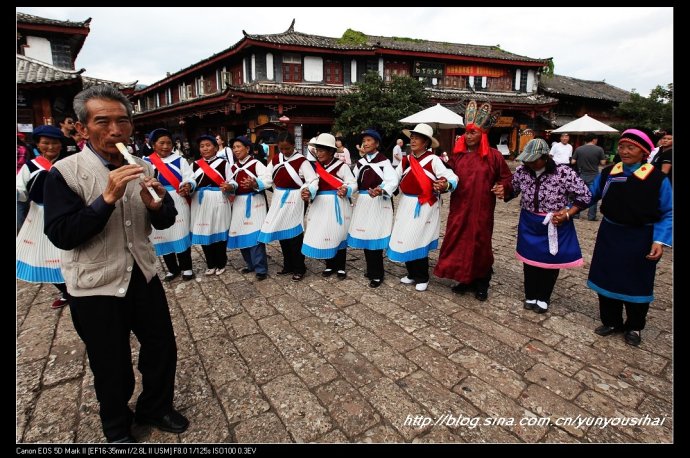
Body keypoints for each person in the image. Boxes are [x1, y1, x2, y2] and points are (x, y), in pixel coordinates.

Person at [43, 85, 188, 443]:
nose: (115, 131)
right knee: (111, 362)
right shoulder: (64, 173)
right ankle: (116, 423)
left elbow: (166, 219)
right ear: (81, 129)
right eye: (102, 122)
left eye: (122, 121)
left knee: (161, 348)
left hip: (143, 273)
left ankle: (155, 407)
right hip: (94, 284)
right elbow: (62, 234)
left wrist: (157, 205)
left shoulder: (140, 165)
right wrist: (105, 198)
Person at [588, 129, 672, 347]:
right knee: (606, 277)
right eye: (622, 146)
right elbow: (590, 195)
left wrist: (659, 241)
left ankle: (634, 326)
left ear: (643, 152)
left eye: (631, 147)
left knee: (637, 281)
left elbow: (667, 212)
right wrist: (568, 208)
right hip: (610, 233)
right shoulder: (609, 173)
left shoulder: (656, 179)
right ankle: (612, 321)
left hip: (640, 237)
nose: (624, 151)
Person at [434, 101, 512, 301]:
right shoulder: (457, 157)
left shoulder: (494, 157)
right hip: (460, 207)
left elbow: (507, 178)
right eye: (466, 133)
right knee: (459, 241)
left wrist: (504, 188)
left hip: (482, 210)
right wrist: (442, 182)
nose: (468, 136)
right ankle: (464, 279)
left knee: (480, 243)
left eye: (473, 133)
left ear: (483, 135)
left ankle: (482, 282)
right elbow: (447, 176)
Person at [504, 138, 591, 314]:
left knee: (549, 262)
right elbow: (513, 190)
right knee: (529, 260)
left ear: (545, 157)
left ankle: (543, 297)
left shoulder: (563, 172)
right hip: (529, 222)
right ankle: (530, 294)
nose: (529, 163)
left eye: (533, 160)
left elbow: (584, 196)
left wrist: (568, 213)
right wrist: (502, 190)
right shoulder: (522, 171)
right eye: (527, 159)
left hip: (554, 221)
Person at [388, 123, 457, 292]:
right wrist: (382, 189)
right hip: (406, 203)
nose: (412, 140)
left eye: (417, 138)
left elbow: (451, 177)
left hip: (425, 204)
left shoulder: (433, 160)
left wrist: (445, 184)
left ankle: (422, 276)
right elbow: (393, 180)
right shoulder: (406, 160)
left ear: (426, 142)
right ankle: (411, 273)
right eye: (411, 137)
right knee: (405, 236)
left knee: (419, 238)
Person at [16, 125, 70, 310]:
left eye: (55, 143)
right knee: (44, 255)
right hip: (40, 214)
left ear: (61, 145)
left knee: (69, 252)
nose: (50, 147)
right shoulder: (30, 167)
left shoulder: (69, 163)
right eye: (45, 143)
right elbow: (21, 192)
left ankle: (75, 287)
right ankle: (65, 290)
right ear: (37, 144)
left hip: (67, 212)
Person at [257, 132, 317, 281]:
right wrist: (256, 183)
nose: (284, 152)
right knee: (282, 230)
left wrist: (307, 190)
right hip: (279, 197)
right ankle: (288, 264)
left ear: (293, 146)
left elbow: (312, 179)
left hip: (296, 197)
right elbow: (267, 177)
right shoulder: (276, 159)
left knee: (295, 233)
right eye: (281, 149)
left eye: (287, 149)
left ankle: (299, 267)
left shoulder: (302, 161)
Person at [347, 129, 399, 288]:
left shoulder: (384, 162)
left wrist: (381, 190)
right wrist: (347, 189)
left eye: (369, 140)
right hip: (364, 201)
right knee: (366, 234)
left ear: (376, 144)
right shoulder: (361, 163)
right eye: (364, 140)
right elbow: (354, 182)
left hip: (379, 202)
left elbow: (393, 181)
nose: (366, 143)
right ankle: (371, 270)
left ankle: (377, 274)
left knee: (375, 236)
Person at [301, 133, 357, 278]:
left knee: (338, 233)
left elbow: (353, 183)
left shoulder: (342, 167)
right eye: (317, 150)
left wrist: (346, 189)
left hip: (337, 203)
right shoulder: (314, 168)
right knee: (325, 231)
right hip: (320, 204)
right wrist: (307, 191)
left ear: (331, 151)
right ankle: (329, 265)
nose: (318, 154)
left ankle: (341, 267)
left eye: (321, 150)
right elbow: (310, 183)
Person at [144, 128, 196, 281]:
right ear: (153, 144)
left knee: (180, 232)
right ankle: (172, 269)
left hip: (177, 199)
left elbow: (190, 178)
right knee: (162, 234)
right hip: (157, 201)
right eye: (162, 143)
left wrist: (188, 185)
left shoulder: (180, 160)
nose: (166, 146)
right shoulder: (146, 162)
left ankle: (187, 267)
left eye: (169, 143)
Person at [226, 136, 272, 280]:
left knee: (254, 235)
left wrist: (255, 184)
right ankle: (250, 264)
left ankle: (261, 268)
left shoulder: (256, 164)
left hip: (255, 202)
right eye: (234, 148)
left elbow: (268, 180)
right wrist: (228, 187)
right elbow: (230, 183)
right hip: (239, 202)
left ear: (247, 148)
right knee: (241, 232)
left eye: (239, 147)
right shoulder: (232, 167)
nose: (236, 150)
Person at [189, 135, 233, 275]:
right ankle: (210, 263)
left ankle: (221, 262)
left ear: (215, 147)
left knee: (218, 229)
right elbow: (189, 181)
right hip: (200, 201)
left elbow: (232, 181)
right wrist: (188, 186)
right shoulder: (194, 164)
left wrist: (229, 186)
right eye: (202, 146)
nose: (205, 148)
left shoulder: (224, 164)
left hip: (218, 200)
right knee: (204, 230)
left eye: (208, 145)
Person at [571, 133, 606, 221]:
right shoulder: (599, 149)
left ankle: (575, 214)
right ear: (594, 139)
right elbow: (603, 163)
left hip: (582, 174)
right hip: (594, 175)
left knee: (579, 194)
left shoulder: (579, 149)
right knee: (593, 195)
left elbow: (573, 161)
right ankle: (591, 216)